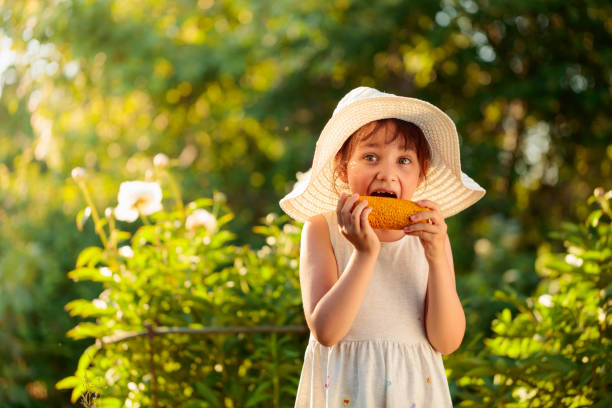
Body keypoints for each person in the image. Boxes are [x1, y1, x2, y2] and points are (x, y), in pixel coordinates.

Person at [279, 87, 485, 407]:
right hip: (347, 390)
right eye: (370, 157)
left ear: (421, 174)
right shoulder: (322, 228)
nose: (387, 174)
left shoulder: (430, 236)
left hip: (414, 391)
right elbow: (326, 331)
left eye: (404, 160)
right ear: (342, 169)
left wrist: (437, 259)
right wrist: (364, 254)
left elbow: (447, 341)